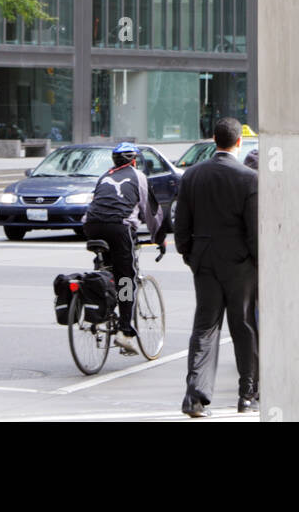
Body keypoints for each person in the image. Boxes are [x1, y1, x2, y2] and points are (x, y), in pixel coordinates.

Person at [174, 116, 258, 417]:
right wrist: (255, 262)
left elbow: (180, 225)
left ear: (213, 139)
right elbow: (254, 230)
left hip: (205, 260)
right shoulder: (249, 178)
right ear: (239, 142)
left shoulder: (193, 176)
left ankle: (195, 397)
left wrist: (190, 255)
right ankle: (246, 396)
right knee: (243, 327)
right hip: (240, 265)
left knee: (205, 328)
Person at [83, 142, 167, 354]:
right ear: (134, 161)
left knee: (106, 269)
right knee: (126, 278)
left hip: (91, 226)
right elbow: (151, 211)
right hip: (119, 228)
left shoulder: (104, 177)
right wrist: (160, 237)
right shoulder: (138, 177)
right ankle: (125, 331)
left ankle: (102, 302)